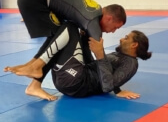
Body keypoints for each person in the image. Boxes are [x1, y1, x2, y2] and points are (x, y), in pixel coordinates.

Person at [5, 21, 152, 101]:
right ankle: (34, 82)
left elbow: (107, 85)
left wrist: (116, 88)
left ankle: (34, 69)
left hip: (77, 83)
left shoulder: (131, 63)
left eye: (126, 38)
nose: (121, 38)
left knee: (69, 28)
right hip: (74, 78)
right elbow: (96, 68)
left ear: (134, 45)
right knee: (59, 35)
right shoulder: (120, 55)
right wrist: (82, 41)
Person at [4, 0, 126, 78]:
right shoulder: (93, 22)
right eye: (115, 27)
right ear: (109, 18)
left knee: (58, 35)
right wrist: (116, 88)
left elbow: (88, 52)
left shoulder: (96, 10)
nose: (113, 32)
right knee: (61, 40)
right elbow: (101, 58)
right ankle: (35, 69)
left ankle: (31, 65)